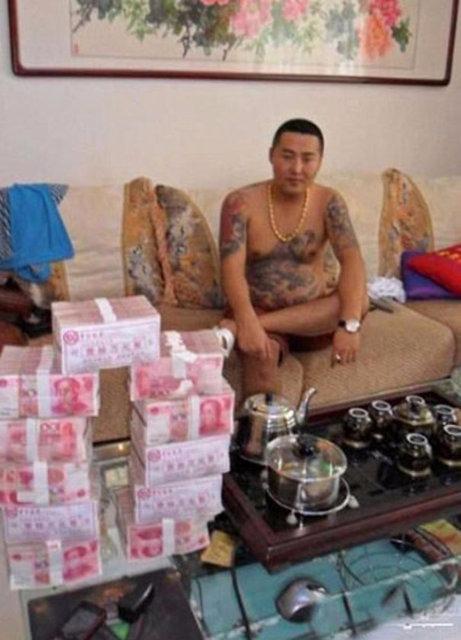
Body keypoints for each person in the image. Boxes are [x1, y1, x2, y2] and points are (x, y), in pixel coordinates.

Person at [218, 118, 368, 400]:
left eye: (307, 159)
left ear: (320, 161)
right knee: (261, 358)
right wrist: (247, 319)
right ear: (271, 155)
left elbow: (352, 261)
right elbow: (231, 270)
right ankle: (268, 431)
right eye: (287, 156)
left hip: (314, 320)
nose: (297, 169)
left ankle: (242, 328)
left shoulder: (329, 201)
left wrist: (350, 324)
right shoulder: (240, 203)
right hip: (258, 308)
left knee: (359, 300)